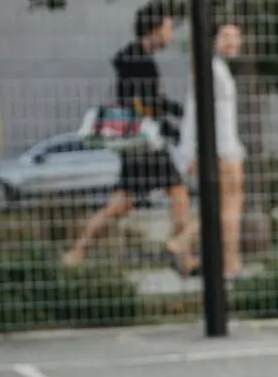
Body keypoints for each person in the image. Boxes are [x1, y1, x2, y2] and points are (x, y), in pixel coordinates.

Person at [61, 3, 193, 274]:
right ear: (154, 29)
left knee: (120, 205)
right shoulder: (138, 60)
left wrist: (171, 116)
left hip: (137, 144)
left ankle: (76, 253)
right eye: (168, 28)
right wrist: (176, 120)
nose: (170, 35)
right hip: (145, 144)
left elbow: (149, 101)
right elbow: (146, 102)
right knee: (178, 194)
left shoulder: (138, 58)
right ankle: (183, 253)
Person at [170, 19, 247, 280]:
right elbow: (196, 113)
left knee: (226, 206)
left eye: (236, 36)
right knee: (228, 206)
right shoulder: (211, 70)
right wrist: (191, 152)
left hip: (225, 147)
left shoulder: (218, 69)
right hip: (220, 149)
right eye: (226, 36)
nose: (233, 42)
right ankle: (221, 260)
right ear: (213, 40)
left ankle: (228, 263)